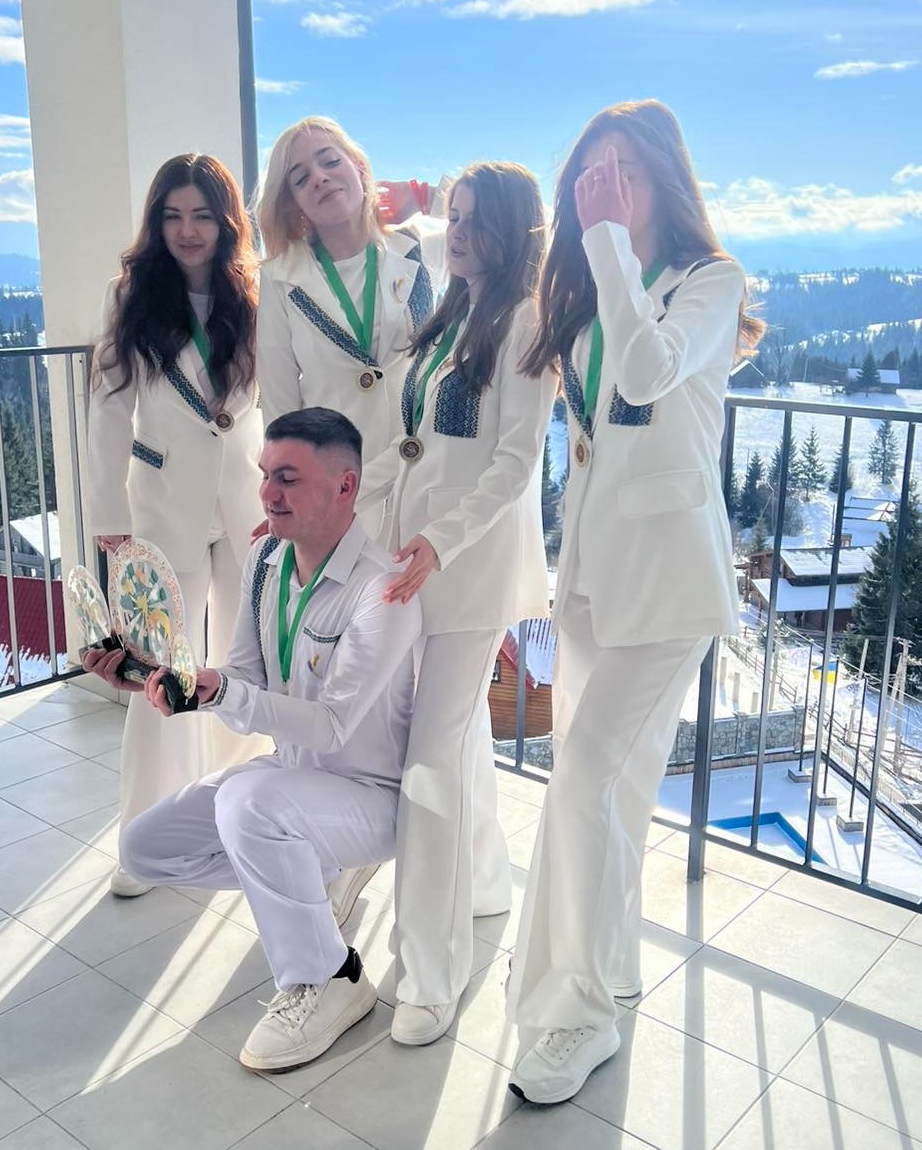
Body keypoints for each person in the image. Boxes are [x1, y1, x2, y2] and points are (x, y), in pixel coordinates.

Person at [504, 100, 764, 1103]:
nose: (604, 187)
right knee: (613, 794)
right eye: (590, 175)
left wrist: (606, 242)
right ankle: (610, 970)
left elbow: (650, 371)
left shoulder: (709, 282)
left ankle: (578, 1014)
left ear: (664, 178)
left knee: (579, 782)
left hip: (672, 586)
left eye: (623, 170)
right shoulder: (590, 300)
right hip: (593, 581)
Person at [85, 408, 422, 1071]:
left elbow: (331, 724)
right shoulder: (266, 559)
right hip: (292, 782)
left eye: (288, 478)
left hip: (369, 797)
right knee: (145, 847)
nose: (267, 493)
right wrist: (157, 677)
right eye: (265, 475)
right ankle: (306, 869)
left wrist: (223, 694)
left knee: (250, 806)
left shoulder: (380, 590)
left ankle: (329, 978)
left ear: (346, 487)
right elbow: (241, 677)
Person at [357, 162, 556, 1045]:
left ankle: (432, 973)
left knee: (428, 762)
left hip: (465, 574)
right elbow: (407, 444)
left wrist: (440, 541)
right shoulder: (450, 314)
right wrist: (327, 508)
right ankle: (480, 886)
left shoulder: (524, 321)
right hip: (410, 560)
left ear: (514, 230)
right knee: (449, 739)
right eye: (456, 217)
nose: (461, 233)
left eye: (477, 220)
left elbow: (514, 463)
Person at [87, 152, 263, 897]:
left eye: (202, 216)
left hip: (249, 507)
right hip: (161, 506)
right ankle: (145, 838)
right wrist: (109, 515)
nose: (188, 230)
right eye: (173, 215)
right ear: (156, 222)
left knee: (243, 666)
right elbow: (108, 408)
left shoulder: (253, 294)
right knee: (161, 667)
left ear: (226, 223)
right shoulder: (129, 295)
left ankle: (237, 823)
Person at [253, 118, 444, 499]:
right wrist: (292, 497)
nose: (320, 178)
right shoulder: (281, 279)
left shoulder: (420, 248)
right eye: (301, 178)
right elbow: (280, 407)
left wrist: (429, 197)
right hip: (339, 493)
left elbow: (518, 224)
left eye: (330, 161)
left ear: (359, 167)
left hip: (426, 481)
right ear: (293, 202)